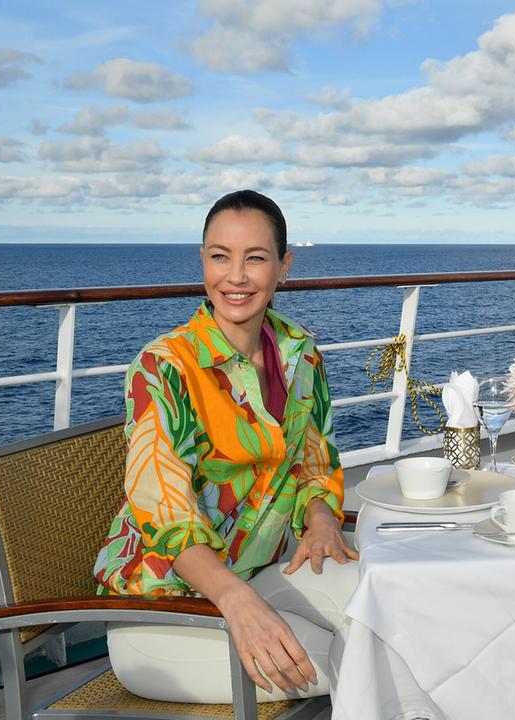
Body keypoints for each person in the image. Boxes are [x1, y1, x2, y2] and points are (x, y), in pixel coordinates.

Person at [92, 190, 358, 704]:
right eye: (220, 256)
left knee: (393, 622)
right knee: (353, 665)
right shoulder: (165, 367)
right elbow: (168, 515)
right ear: (203, 261)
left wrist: (322, 520)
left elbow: (313, 459)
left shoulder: (301, 354)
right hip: (167, 609)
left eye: (255, 258)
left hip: (258, 575)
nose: (235, 276)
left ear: (284, 267)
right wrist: (239, 605)